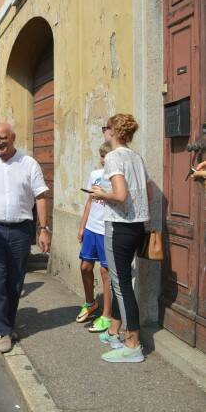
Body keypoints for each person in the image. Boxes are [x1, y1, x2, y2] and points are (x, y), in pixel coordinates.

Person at [0, 123, 50, 354]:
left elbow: (42, 197)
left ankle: (8, 320)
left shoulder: (28, 163)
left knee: (15, 281)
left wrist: (43, 228)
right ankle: (2, 330)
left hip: (20, 231)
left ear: (13, 138)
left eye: (3, 138)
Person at [91, 114, 151, 363]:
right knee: (121, 282)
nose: (104, 130)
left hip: (120, 226)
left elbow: (121, 195)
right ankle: (115, 331)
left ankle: (133, 343)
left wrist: (101, 194)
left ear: (114, 131)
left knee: (122, 285)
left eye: (106, 127)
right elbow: (145, 189)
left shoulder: (114, 156)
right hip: (137, 226)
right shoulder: (135, 156)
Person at [76, 142, 113, 333]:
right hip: (92, 227)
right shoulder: (95, 175)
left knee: (105, 272)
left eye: (107, 155)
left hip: (107, 230)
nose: (103, 159)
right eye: (102, 156)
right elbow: (90, 201)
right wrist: (82, 226)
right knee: (85, 266)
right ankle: (90, 303)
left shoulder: (117, 178)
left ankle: (107, 315)